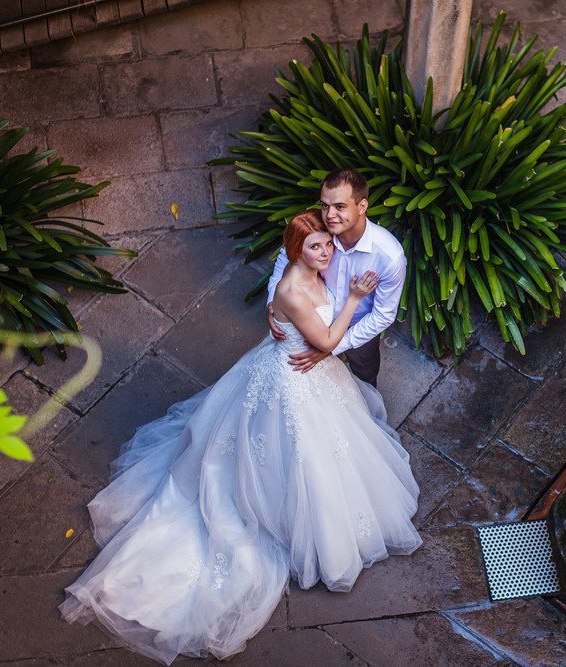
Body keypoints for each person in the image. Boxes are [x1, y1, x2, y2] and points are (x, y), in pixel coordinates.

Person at [59, 212, 422, 665]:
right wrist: (351, 298)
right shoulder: (293, 287)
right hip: (295, 376)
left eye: (327, 244)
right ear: (297, 252)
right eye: (316, 247)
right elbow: (327, 341)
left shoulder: (303, 271)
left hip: (294, 367)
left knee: (327, 446)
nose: (326, 252)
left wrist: (283, 307)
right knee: (298, 457)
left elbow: (300, 302)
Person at [267, 168, 405, 387]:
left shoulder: (388, 257)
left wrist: (331, 347)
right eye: (324, 205)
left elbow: (383, 315)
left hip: (357, 329)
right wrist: (274, 304)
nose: (329, 215)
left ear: (362, 206)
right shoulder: (320, 228)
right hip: (310, 319)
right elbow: (287, 255)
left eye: (339, 206)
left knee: (365, 380)